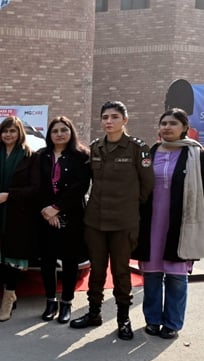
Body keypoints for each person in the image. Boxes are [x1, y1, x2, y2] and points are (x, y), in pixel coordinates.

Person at [70, 100, 154, 340]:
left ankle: (123, 319)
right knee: (96, 271)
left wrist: (128, 205)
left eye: (114, 117)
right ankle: (94, 313)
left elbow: (147, 185)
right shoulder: (96, 147)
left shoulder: (139, 149)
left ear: (125, 120)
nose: (109, 121)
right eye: (105, 117)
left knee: (120, 272)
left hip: (123, 221)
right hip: (96, 220)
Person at [133, 108, 204, 339]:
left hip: (180, 223)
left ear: (184, 127)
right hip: (152, 223)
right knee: (152, 274)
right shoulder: (150, 153)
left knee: (176, 276)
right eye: (163, 123)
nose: (167, 127)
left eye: (173, 123)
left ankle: (172, 323)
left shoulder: (195, 154)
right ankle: (152, 320)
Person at [0, 116, 39, 321]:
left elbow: (35, 189)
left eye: (13, 131)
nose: (8, 134)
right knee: (2, 258)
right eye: (5, 131)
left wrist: (9, 195)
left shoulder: (30, 156)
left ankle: (7, 300)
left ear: (19, 132)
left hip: (19, 216)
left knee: (13, 258)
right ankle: (10, 295)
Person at [35, 116, 91, 324]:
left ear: (71, 132)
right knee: (47, 261)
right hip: (45, 216)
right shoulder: (42, 156)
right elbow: (38, 185)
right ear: (50, 135)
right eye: (55, 130)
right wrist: (47, 210)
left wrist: (57, 208)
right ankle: (50, 301)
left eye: (63, 130)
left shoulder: (82, 156)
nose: (59, 133)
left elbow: (81, 186)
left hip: (72, 215)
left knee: (70, 261)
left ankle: (66, 302)